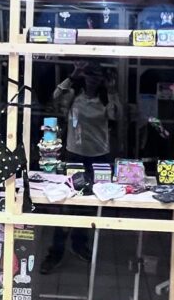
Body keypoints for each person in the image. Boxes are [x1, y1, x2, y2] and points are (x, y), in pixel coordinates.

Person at [40, 63, 121, 274]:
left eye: (97, 75)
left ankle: (79, 243)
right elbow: (54, 98)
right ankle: (56, 252)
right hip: (74, 153)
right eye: (90, 74)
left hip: (99, 156)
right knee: (66, 203)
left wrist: (112, 91)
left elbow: (117, 116)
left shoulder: (105, 98)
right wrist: (72, 76)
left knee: (88, 204)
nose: (93, 79)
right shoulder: (73, 95)